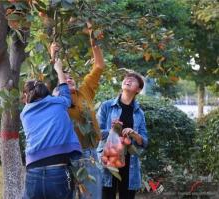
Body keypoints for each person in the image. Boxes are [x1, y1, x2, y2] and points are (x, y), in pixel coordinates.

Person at [50, 24, 105, 199]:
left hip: (89, 154)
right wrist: (53, 55)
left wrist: (93, 36)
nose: (69, 78)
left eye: (70, 76)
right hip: (65, 156)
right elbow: (53, 74)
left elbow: (99, 66)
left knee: (92, 196)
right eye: (64, 77)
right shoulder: (57, 99)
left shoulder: (84, 91)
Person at [20, 59, 82, 199]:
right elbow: (65, 92)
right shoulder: (59, 102)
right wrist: (59, 69)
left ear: (26, 96)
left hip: (33, 170)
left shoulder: (25, 113)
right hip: (57, 170)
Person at [96, 72, 149, 199]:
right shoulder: (107, 106)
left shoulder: (139, 113)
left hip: (130, 163)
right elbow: (95, 133)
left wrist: (134, 134)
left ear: (139, 90)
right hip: (109, 160)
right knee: (106, 194)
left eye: (133, 80)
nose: (128, 80)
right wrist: (112, 132)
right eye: (126, 79)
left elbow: (144, 142)